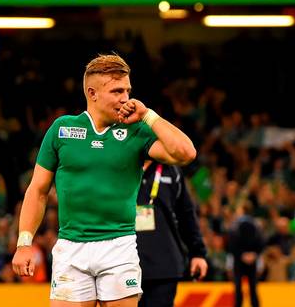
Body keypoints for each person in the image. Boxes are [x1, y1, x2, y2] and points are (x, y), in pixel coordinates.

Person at [11, 54, 197, 307]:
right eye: (117, 91)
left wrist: (148, 115)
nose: (125, 98)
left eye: (127, 90)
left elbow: (186, 153)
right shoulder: (62, 129)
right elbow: (37, 191)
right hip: (71, 247)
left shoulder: (137, 131)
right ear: (92, 93)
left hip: (119, 246)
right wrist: (24, 243)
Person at [136, 160, 208, 307]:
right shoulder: (119, 164)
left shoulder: (172, 171)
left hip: (163, 268)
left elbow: (186, 214)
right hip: (121, 264)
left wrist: (198, 253)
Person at [227, 209, 264, 307]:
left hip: (245, 262)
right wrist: (249, 255)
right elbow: (231, 246)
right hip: (241, 261)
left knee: (250, 288)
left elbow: (231, 246)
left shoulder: (237, 227)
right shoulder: (237, 228)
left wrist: (252, 255)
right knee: (243, 288)